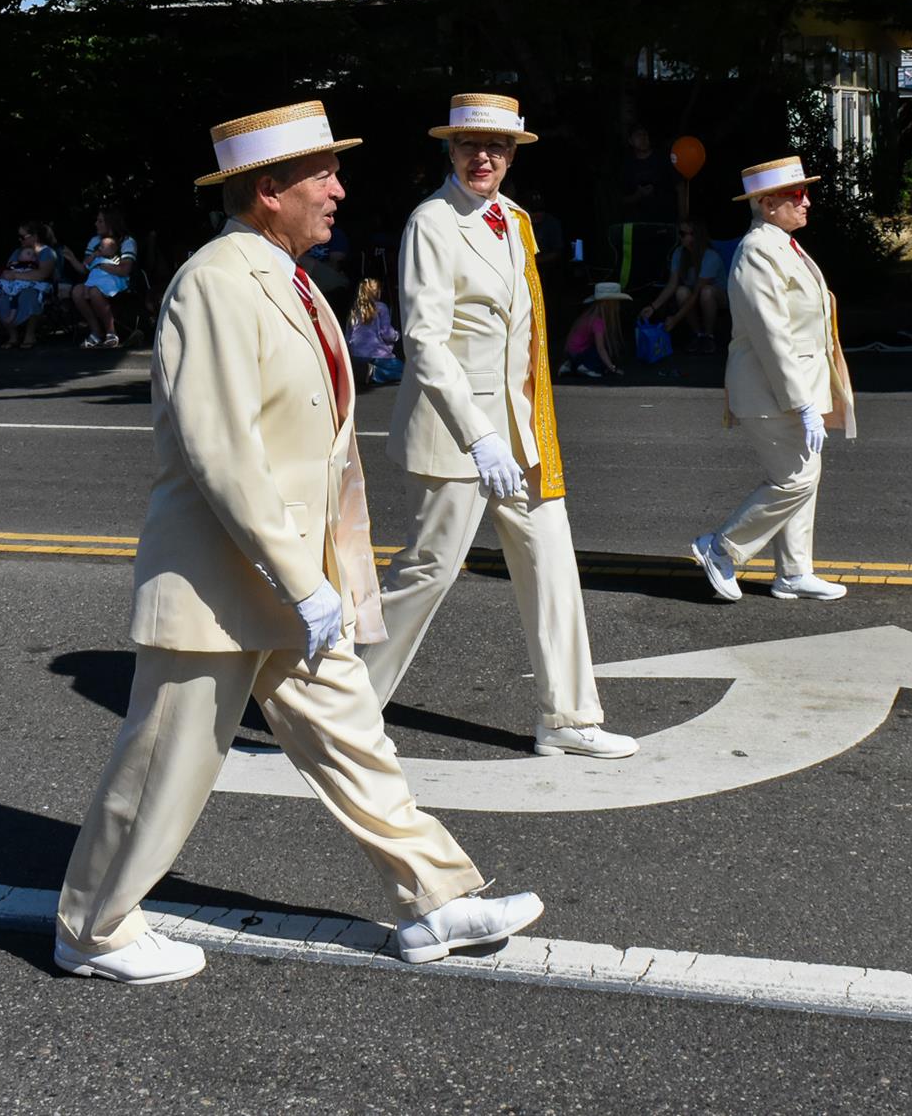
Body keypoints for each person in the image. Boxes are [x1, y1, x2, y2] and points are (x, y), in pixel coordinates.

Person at [54, 100, 542, 985]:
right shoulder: (215, 280)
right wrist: (302, 578)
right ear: (269, 190)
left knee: (358, 744)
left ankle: (434, 897)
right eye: (323, 174)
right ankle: (91, 927)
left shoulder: (293, 278)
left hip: (294, 581)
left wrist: (329, 577)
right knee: (165, 762)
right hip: (218, 579)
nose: (339, 189)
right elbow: (221, 447)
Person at [368, 93, 637, 759]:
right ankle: (341, 712)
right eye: (470, 145)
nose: (483, 157)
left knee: (552, 561)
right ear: (450, 150)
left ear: (513, 154)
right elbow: (424, 341)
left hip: (518, 425)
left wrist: (515, 426)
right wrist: (478, 435)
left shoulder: (513, 218)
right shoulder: (432, 221)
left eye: (497, 146)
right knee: (427, 573)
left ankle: (567, 716)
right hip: (455, 429)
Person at [690, 156, 855, 604]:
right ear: (766, 204)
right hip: (770, 392)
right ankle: (721, 547)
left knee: (804, 475)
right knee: (795, 479)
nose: (806, 202)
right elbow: (771, 335)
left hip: (792, 388)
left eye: (805, 193)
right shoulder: (758, 251)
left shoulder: (783, 245)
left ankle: (794, 573)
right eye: (796, 195)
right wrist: (802, 402)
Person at [638, 218, 724, 351]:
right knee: (681, 291)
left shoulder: (711, 256)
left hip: (717, 297)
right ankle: (697, 334)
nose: (680, 237)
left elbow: (697, 292)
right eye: (680, 233)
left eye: (683, 234)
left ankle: (709, 336)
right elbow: (672, 284)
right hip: (695, 296)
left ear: (695, 235)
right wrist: (653, 307)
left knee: (706, 292)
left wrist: (675, 319)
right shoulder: (679, 253)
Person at [66, 209, 137, 348]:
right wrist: (72, 258)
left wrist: (101, 265)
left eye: (100, 221)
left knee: (94, 291)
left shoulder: (127, 241)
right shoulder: (95, 241)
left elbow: (124, 270)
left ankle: (111, 333)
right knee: (77, 292)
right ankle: (96, 332)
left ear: (111, 223)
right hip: (95, 279)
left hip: (116, 281)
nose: (96, 224)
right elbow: (84, 268)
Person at [0, 221, 57, 349]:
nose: (19, 239)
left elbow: (42, 274)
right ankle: (13, 336)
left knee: (30, 296)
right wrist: (9, 276)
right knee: (1, 297)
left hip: (37, 286)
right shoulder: (17, 251)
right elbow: (9, 270)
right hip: (15, 285)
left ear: (34, 236)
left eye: (22, 236)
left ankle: (29, 334)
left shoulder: (47, 252)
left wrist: (15, 275)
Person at [565, 281, 629, 378]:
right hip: (580, 354)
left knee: (601, 353)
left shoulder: (589, 315)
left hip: (572, 353)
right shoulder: (598, 322)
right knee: (603, 359)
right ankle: (587, 367)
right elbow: (600, 348)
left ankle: (570, 365)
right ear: (610, 304)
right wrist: (613, 368)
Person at [347, 276, 402, 386]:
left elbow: (348, 336)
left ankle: (364, 370)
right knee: (404, 372)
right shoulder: (381, 308)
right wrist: (397, 335)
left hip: (357, 354)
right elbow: (387, 334)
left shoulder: (355, 310)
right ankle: (374, 373)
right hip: (378, 354)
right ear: (377, 292)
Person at [619, 125, 676, 223]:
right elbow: (621, 199)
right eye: (638, 135)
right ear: (630, 141)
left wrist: (683, 219)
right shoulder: (627, 165)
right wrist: (638, 195)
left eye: (645, 134)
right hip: (641, 222)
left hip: (667, 219)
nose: (643, 138)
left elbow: (680, 187)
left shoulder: (663, 158)